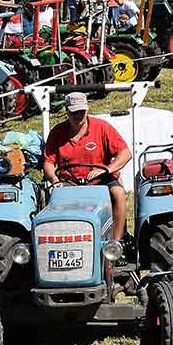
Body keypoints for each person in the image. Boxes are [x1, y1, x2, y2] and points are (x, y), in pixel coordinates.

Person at [43, 92, 132, 240]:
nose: (78, 116)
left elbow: (125, 153)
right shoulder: (57, 132)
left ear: (87, 110)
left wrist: (107, 169)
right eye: (74, 112)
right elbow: (48, 162)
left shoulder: (102, 128)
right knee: (55, 199)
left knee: (118, 193)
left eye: (81, 112)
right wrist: (54, 180)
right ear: (67, 111)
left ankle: (116, 243)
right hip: (69, 181)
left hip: (101, 179)